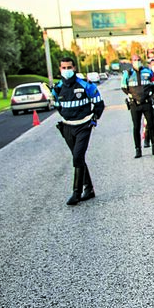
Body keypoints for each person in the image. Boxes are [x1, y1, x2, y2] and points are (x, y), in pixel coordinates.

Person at [51, 57, 104, 206]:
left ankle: (76, 192)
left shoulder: (85, 85)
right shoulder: (58, 88)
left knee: (77, 156)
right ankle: (89, 189)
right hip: (67, 127)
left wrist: (93, 120)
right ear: (60, 69)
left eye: (69, 67)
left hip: (83, 126)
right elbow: (57, 105)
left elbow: (99, 104)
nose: (66, 70)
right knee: (78, 158)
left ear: (74, 68)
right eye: (63, 68)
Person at [121, 54, 154, 157]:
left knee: (151, 125)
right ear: (131, 61)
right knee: (136, 127)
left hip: (147, 102)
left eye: (138, 60)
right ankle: (138, 150)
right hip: (134, 104)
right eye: (134, 60)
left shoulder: (148, 72)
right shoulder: (128, 73)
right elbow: (124, 87)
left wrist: (149, 94)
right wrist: (132, 95)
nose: (137, 61)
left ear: (141, 61)